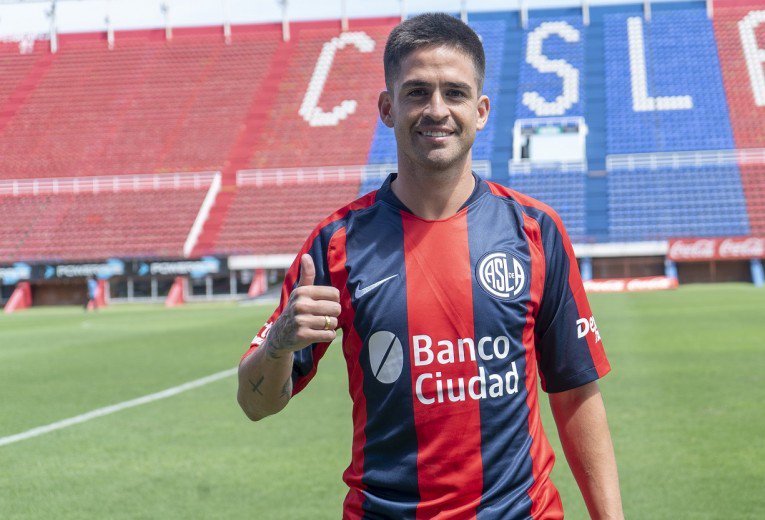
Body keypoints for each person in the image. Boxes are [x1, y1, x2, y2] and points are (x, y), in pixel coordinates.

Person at [238, 13, 623, 519]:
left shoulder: (535, 230)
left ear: (481, 110)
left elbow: (575, 394)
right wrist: (280, 343)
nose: (437, 109)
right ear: (387, 108)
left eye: (455, 93)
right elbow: (255, 402)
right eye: (417, 92)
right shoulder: (336, 244)